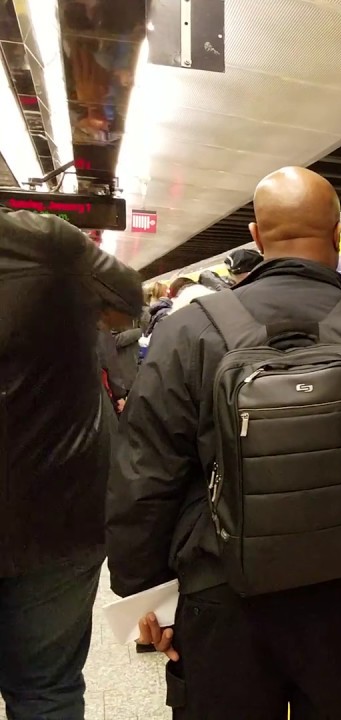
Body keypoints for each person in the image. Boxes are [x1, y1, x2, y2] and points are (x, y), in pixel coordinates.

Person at [107, 166, 341, 719]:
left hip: (223, 594)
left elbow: (145, 475)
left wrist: (147, 595)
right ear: (338, 233)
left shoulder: (188, 332)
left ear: (256, 236)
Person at [0, 207, 142, 719]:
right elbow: (130, 301)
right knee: (47, 689)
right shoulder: (43, 240)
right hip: (58, 509)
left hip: (58, 516)